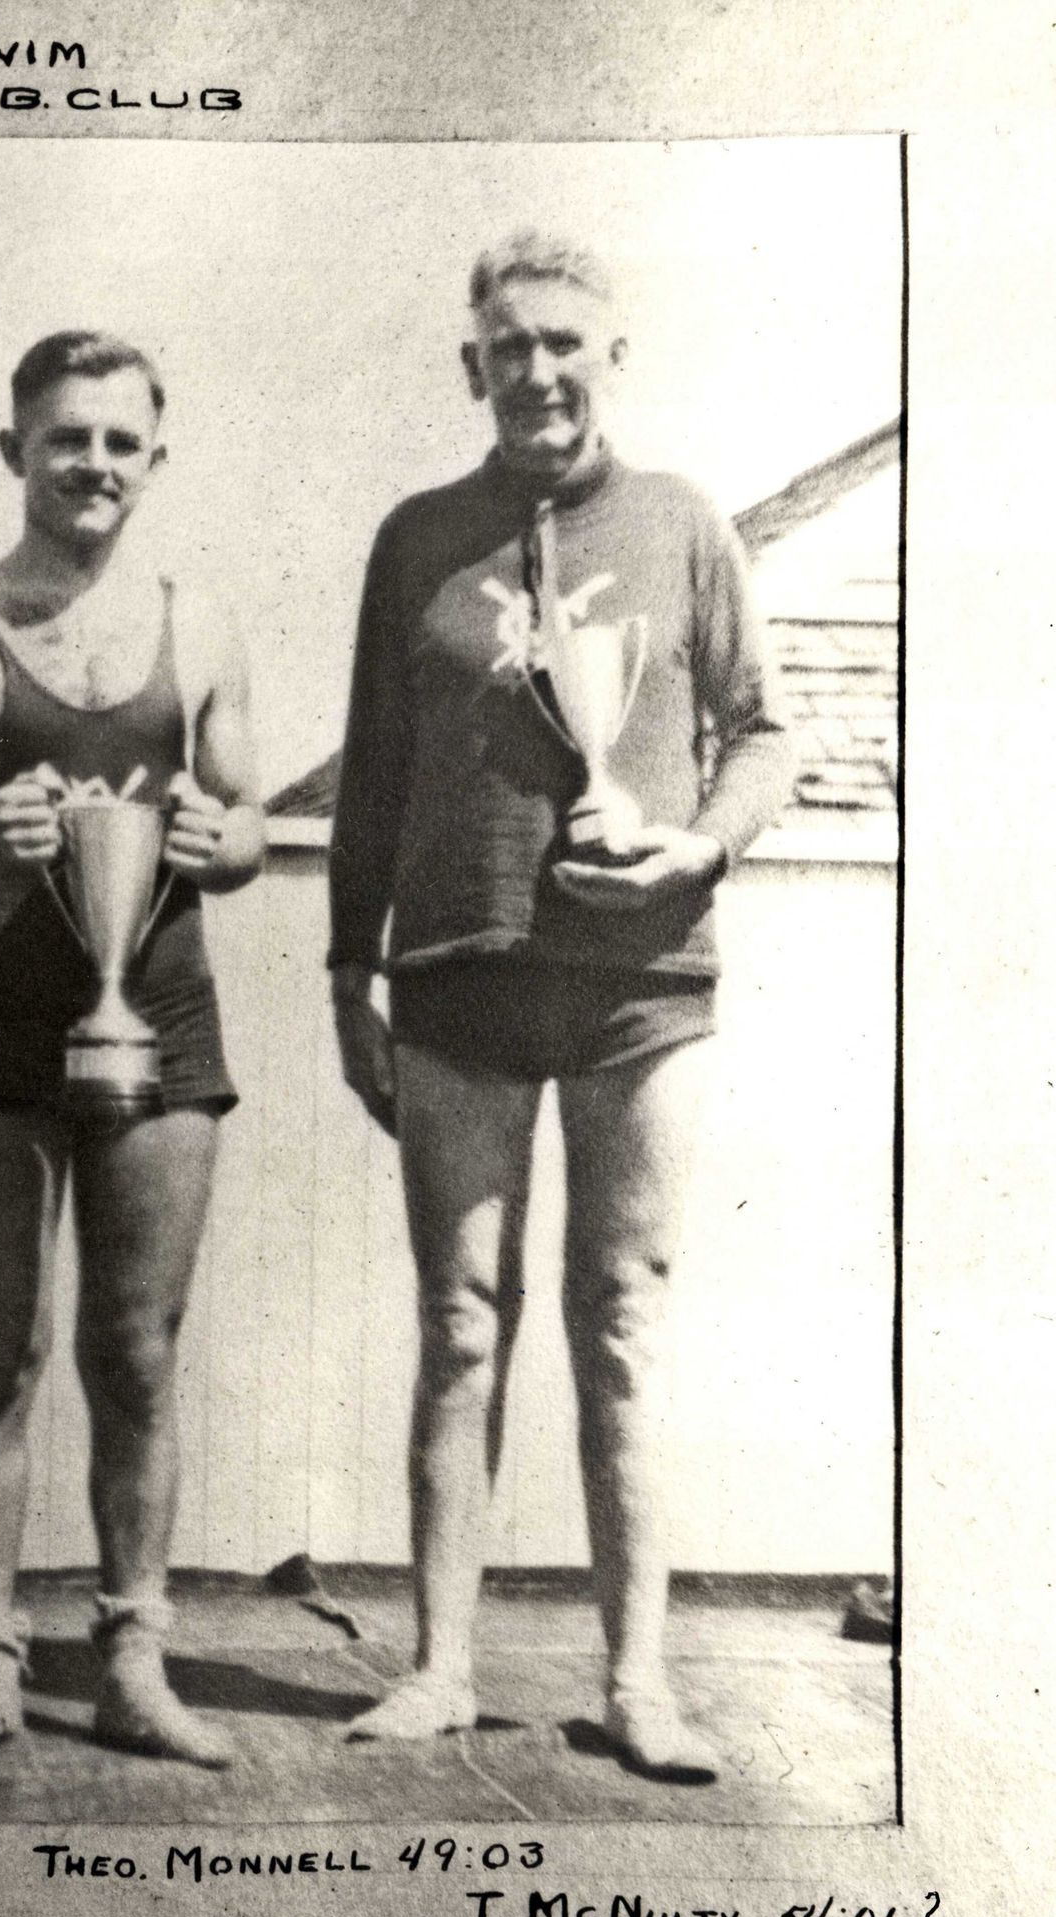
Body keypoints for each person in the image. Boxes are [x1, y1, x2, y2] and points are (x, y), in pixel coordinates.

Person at [328, 231, 796, 1780]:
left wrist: (695, 846)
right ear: (473, 365)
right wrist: (346, 970)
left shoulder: (682, 524)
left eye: (564, 343)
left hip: (635, 984)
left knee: (623, 1320)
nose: (537, 370)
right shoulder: (418, 539)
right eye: (509, 346)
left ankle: (637, 1682)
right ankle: (440, 1667)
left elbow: (765, 735)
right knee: (460, 1324)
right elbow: (373, 776)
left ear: (612, 356)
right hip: (457, 976)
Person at [0, 332, 266, 1767]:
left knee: (136, 1352)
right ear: (13, 448)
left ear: (157, 457)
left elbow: (247, 824)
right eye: (66, 437)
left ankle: (135, 1657)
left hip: (164, 1025)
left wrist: (220, 837)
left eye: (119, 441)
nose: (93, 463)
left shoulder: (202, 626)